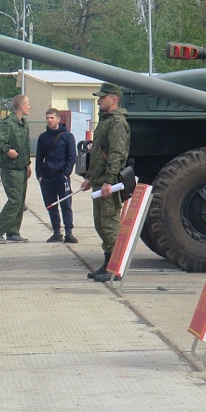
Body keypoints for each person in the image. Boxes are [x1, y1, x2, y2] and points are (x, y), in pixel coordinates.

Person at [81, 83, 130, 282]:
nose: (99, 99)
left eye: (103, 97)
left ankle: (115, 267)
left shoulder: (116, 122)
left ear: (114, 99)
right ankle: (108, 263)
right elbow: (98, 154)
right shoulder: (106, 120)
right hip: (99, 180)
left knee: (110, 224)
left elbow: (117, 154)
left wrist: (109, 180)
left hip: (107, 182)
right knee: (101, 224)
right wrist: (89, 178)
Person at [0, 95, 31, 244]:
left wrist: (27, 164)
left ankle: (13, 232)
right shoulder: (9, 124)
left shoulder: (23, 124)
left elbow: (24, 146)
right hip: (10, 169)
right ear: (21, 106)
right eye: (28, 105)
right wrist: (7, 151)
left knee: (20, 201)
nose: (30, 107)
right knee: (15, 200)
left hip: (21, 168)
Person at [36, 109, 78, 244]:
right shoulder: (43, 137)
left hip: (62, 177)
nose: (49, 120)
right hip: (47, 178)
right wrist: (39, 175)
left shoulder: (67, 136)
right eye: (47, 118)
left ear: (58, 119)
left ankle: (69, 232)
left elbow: (71, 157)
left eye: (52, 118)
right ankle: (56, 232)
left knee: (66, 205)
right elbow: (39, 158)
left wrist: (66, 174)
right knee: (50, 205)